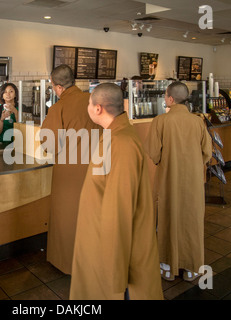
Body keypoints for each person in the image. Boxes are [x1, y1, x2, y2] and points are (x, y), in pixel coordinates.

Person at [70, 83, 163, 300]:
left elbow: (120, 208)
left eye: (89, 103)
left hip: (116, 257)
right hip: (103, 245)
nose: (88, 108)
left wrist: (114, 272)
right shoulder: (113, 135)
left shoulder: (121, 143)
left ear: (98, 108)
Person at [145, 81, 212, 282]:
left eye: (166, 96)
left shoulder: (160, 121)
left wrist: (165, 163)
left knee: (167, 218)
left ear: (171, 99)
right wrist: (192, 165)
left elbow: (153, 152)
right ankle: (192, 267)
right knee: (191, 220)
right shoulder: (198, 121)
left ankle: (167, 266)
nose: (165, 99)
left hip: (167, 180)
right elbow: (207, 153)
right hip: (193, 182)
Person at [40, 64, 102, 275]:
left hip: (70, 172)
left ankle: (69, 263)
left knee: (68, 216)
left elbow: (50, 144)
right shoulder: (94, 101)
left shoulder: (58, 107)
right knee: (93, 215)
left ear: (57, 87)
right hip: (98, 167)